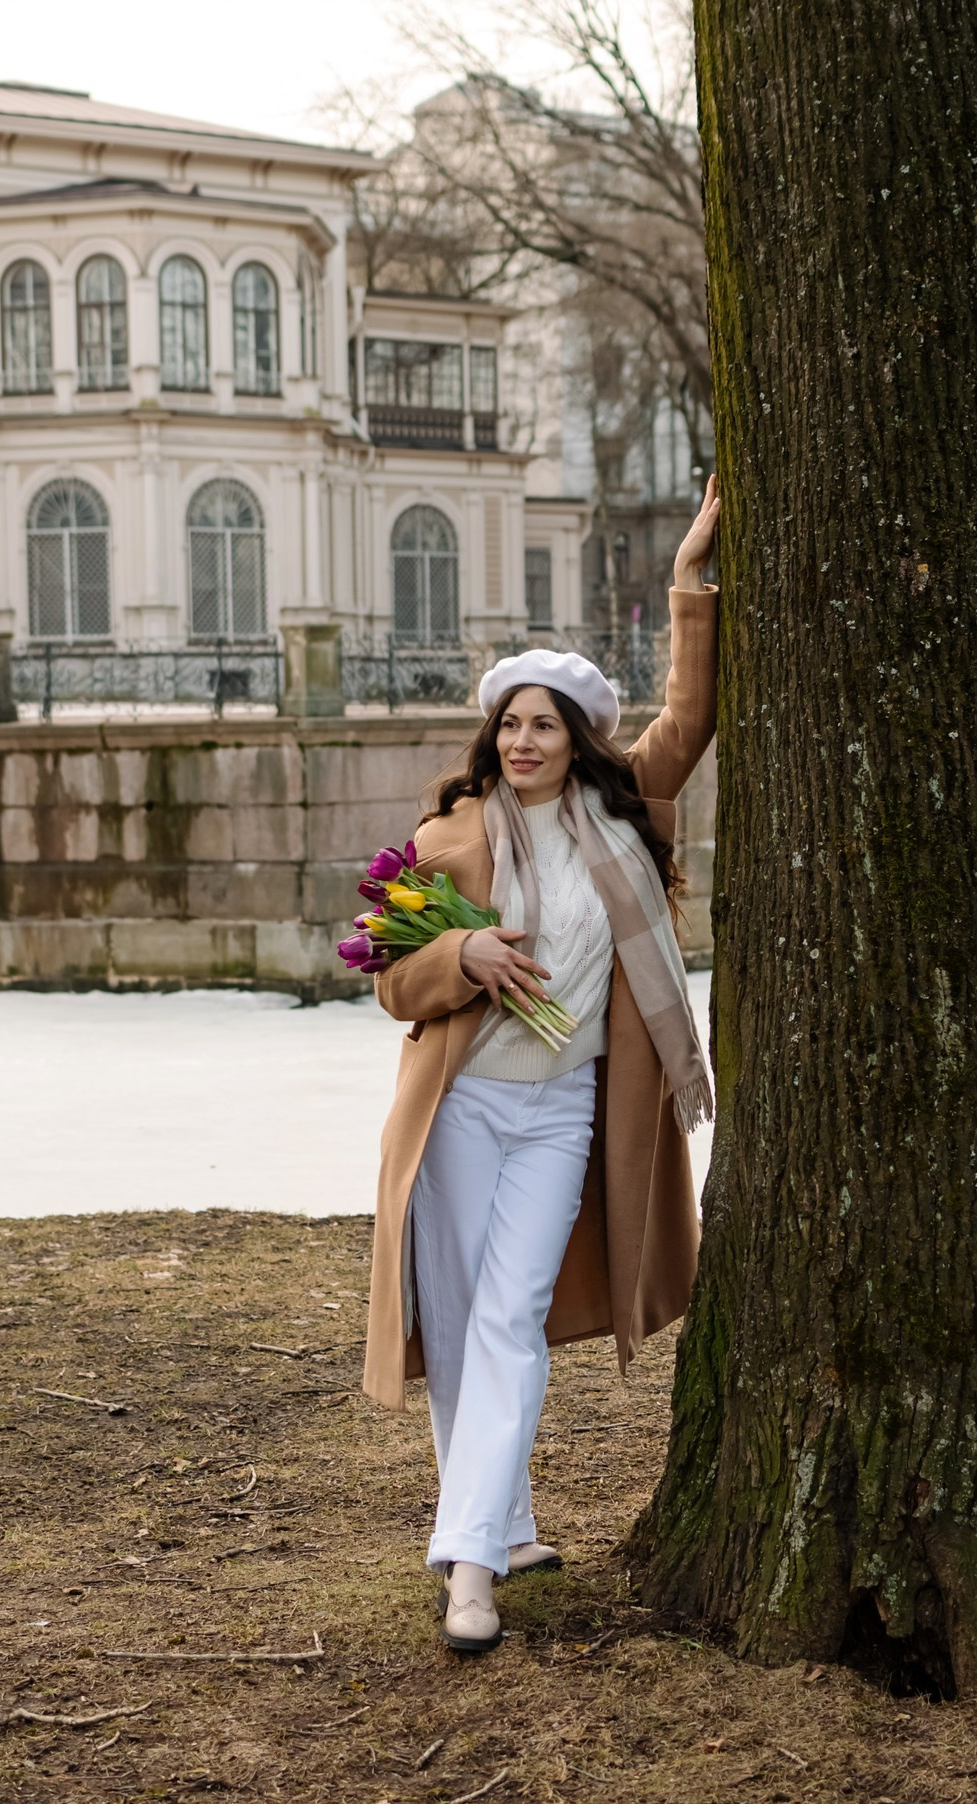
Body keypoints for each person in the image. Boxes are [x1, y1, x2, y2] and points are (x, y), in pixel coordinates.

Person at [362, 475, 721, 1653]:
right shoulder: (447, 837)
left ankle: (465, 1570)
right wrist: (460, 948)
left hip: (566, 1109)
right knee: (465, 1324)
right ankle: (503, 1524)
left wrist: (686, 590)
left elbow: (686, 718)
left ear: (577, 740)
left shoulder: (625, 830)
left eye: (544, 724)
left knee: (508, 1315)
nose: (522, 741)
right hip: (459, 1110)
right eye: (509, 722)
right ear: (491, 734)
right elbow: (391, 982)